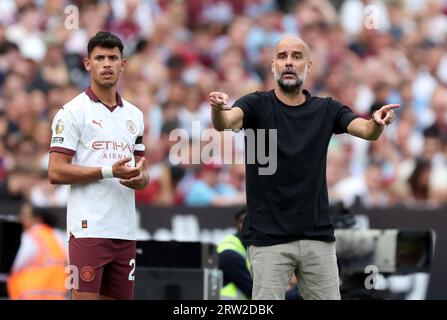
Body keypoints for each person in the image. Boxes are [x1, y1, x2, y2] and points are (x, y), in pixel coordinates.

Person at [209, 35, 399, 300]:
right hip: (268, 238)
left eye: (296, 57)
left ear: (308, 66)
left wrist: (377, 121)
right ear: (273, 65)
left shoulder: (326, 109)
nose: (289, 62)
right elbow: (225, 122)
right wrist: (218, 110)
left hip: (317, 237)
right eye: (282, 56)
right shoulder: (255, 104)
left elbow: (366, 130)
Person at [48, 31, 149, 300]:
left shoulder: (135, 116)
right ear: (87, 64)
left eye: (113, 58)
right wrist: (108, 172)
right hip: (87, 230)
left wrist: (141, 179)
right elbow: (56, 171)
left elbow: (141, 172)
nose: (107, 63)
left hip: (125, 231)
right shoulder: (71, 112)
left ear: (123, 64)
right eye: (100, 58)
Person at [217, 206, 301, 300]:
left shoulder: (252, 247)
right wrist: (299, 292)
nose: (248, 226)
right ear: (237, 224)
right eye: (243, 221)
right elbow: (256, 292)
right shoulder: (229, 254)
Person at [7, 202, 67, 300]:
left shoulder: (30, 236)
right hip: (58, 295)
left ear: (37, 218)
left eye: (25, 215)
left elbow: (16, 265)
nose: (22, 218)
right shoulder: (57, 235)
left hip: (29, 294)